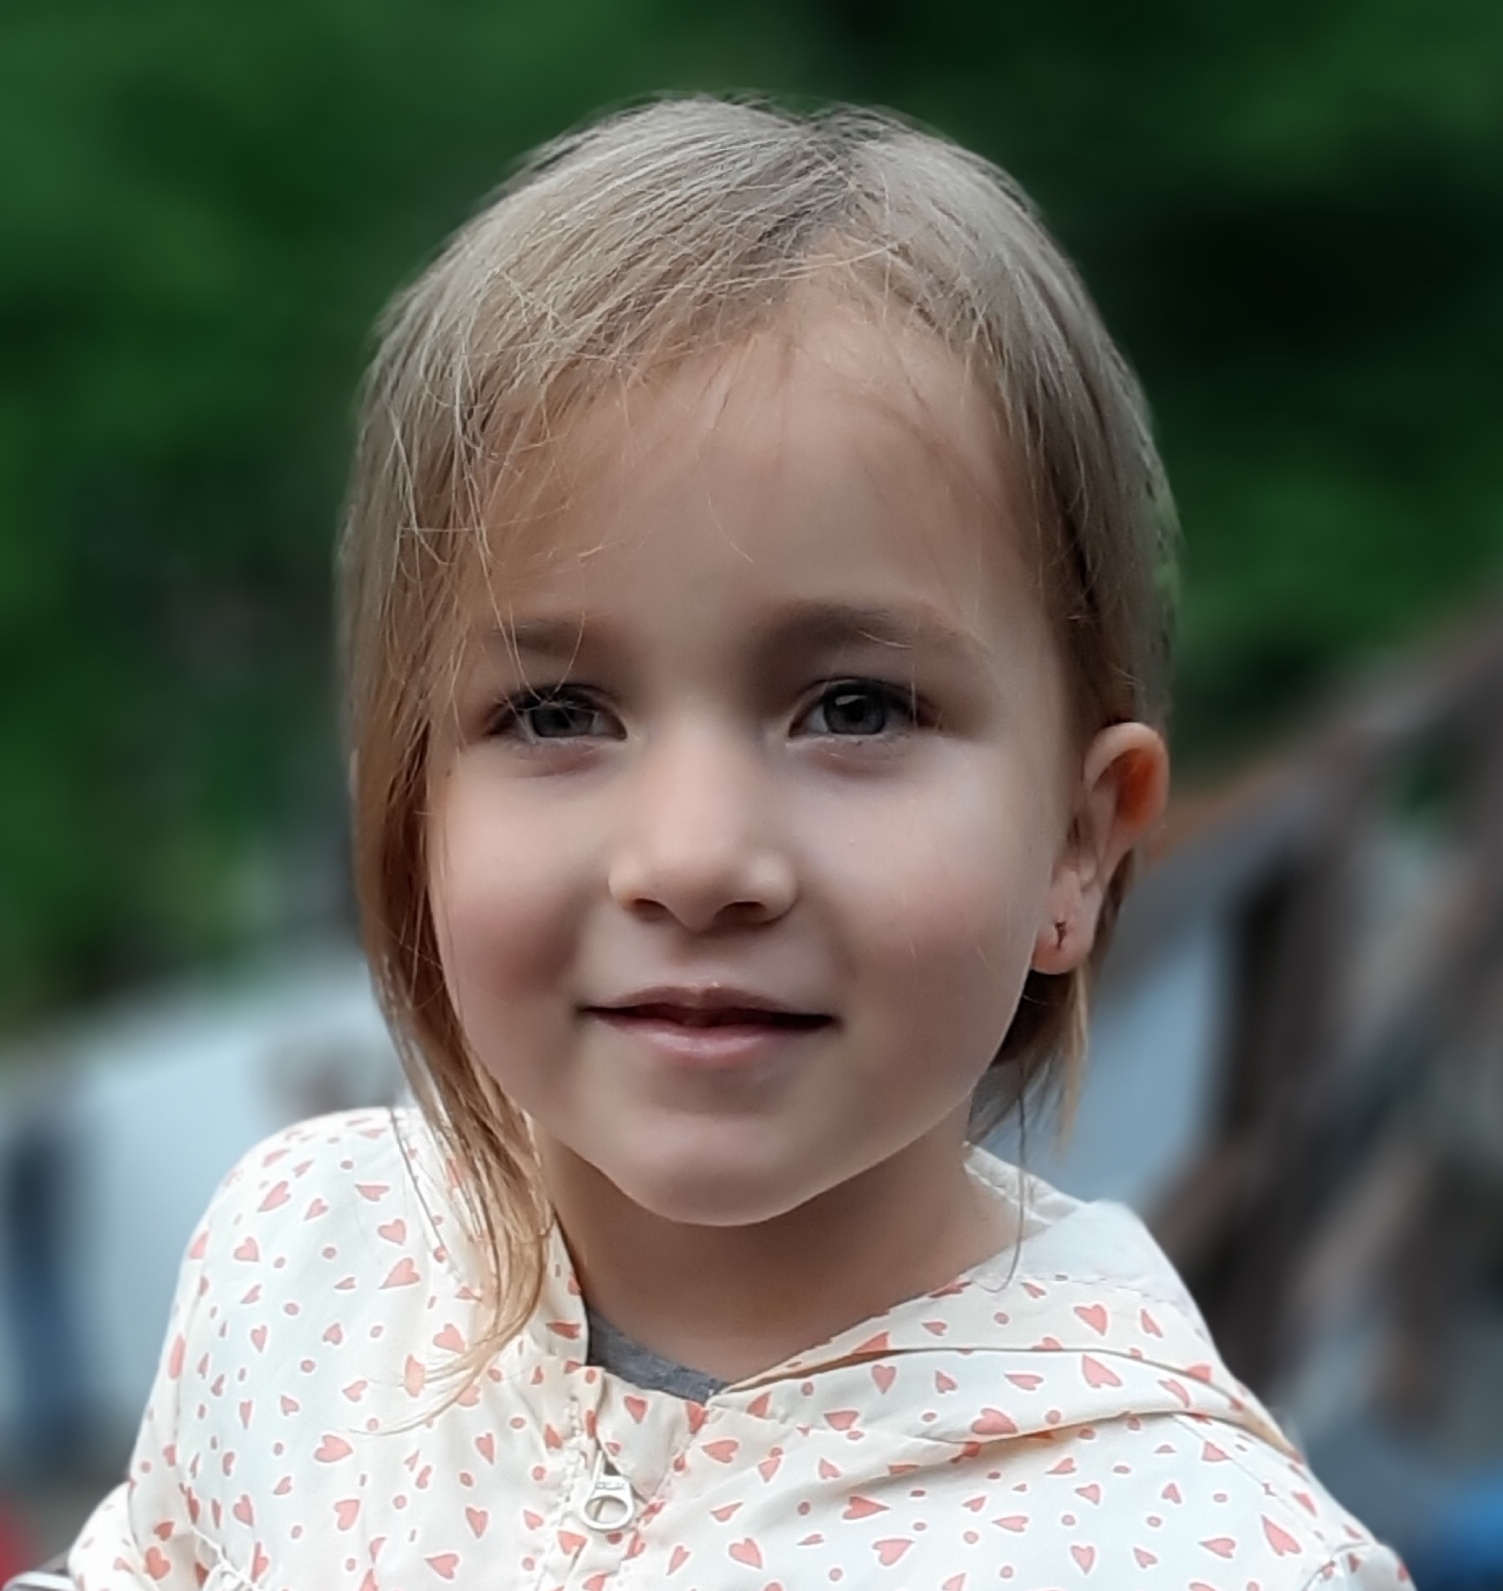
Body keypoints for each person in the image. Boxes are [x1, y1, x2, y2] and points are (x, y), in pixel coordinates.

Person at [66, 97, 1405, 1587]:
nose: (695, 859)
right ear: (412, 806)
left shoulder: (1194, 1551)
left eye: (854, 708)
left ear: (1078, 848)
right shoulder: (302, 1264)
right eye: (558, 711)